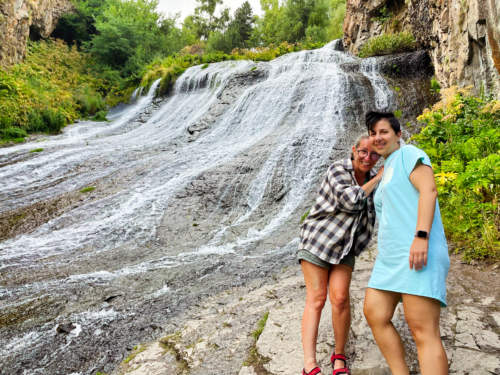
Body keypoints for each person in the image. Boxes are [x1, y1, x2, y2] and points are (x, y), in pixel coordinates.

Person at [363, 111, 450, 375]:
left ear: (398, 135)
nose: (378, 137)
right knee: (375, 313)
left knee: (422, 330)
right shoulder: (388, 167)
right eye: (373, 133)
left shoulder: (410, 154)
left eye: (384, 132)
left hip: (417, 252)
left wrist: (421, 236)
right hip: (391, 257)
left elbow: (429, 190)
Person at [298, 135, 383, 375]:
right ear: (354, 150)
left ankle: (339, 357)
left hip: (345, 247)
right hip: (318, 241)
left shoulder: (372, 180)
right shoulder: (338, 169)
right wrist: (378, 177)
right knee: (317, 298)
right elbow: (351, 200)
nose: (368, 157)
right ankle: (310, 364)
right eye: (364, 152)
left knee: (341, 299)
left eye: (374, 154)